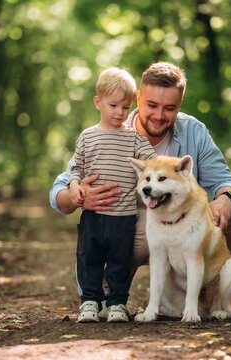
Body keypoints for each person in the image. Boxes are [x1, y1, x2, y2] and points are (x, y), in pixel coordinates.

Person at [49, 61, 231, 313]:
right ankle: (106, 289)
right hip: (123, 222)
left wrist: (225, 198)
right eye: (152, 105)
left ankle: (191, 286)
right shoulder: (106, 133)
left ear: (179, 105)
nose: (159, 115)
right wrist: (77, 197)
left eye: (169, 108)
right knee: (150, 225)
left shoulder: (194, 131)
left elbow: (225, 180)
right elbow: (59, 190)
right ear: (138, 98)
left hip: (178, 222)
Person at [67, 67, 156, 323]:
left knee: (119, 262)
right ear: (98, 102)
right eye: (113, 105)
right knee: (89, 260)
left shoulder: (135, 140)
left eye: (125, 107)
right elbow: (77, 168)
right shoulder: (87, 137)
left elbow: (154, 162)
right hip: (93, 216)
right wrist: (75, 185)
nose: (120, 112)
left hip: (124, 216)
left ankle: (117, 303)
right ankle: (89, 303)